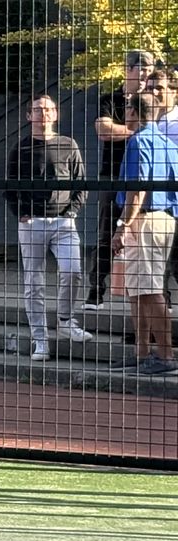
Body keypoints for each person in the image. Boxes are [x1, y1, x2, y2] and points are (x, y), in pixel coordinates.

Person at [4, 94, 93, 361]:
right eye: (37, 110)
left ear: (56, 114)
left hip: (64, 222)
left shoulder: (69, 144)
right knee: (34, 283)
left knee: (73, 271)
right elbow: (10, 186)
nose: (43, 114)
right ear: (29, 116)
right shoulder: (20, 148)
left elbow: (81, 182)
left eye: (48, 109)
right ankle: (40, 340)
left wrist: (73, 211)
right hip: (32, 223)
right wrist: (21, 214)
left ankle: (66, 320)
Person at [114, 90, 178, 374]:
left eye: (127, 108)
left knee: (150, 289)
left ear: (133, 112)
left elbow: (136, 189)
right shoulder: (168, 143)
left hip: (144, 219)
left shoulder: (137, 141)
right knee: (137, 288)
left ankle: (164, 356)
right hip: (165, 218)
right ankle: (141, 353)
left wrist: (123, 226)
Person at [87, 50, 156, 310]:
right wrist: (138, 132)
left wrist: (126, 132)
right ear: (128, 69)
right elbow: (103, 130)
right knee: (107, 231)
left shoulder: (153, 101)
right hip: (113, 174)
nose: (146, 74)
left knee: (148, 235)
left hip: (147, 175)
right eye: (142, 68)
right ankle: (96, 291)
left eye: (150, 69)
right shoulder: (112, 99)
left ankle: (158, 295)